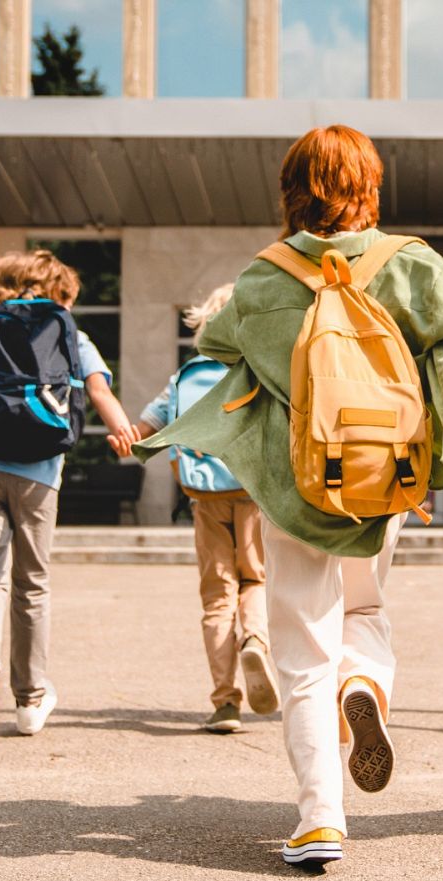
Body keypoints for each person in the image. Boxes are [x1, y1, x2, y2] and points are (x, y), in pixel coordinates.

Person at [133, 124, 443, 868]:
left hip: (298, 483)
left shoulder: (264, 278)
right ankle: (362, 682)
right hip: (386, 477)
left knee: (301, 648)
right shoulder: (410, 263)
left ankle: (321, 816)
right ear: (370, 186)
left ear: (291, 190)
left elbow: (214, 348)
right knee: (365, 608)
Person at [0, 249, 137, 746]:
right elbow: (98, 393)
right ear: (61, 294)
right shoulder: (73, 334)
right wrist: (123, 434)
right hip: (38, 473)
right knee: (31, 584)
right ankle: (30, 700)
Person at [109, 284, 277, 735]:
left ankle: (225, 702)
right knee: (255, 579)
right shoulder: (259, 370)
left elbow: (144, 430)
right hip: (253, 491)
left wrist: (124, 436)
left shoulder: (187, 375)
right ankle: (256, 639)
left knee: (217, 597)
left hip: (204, 497)